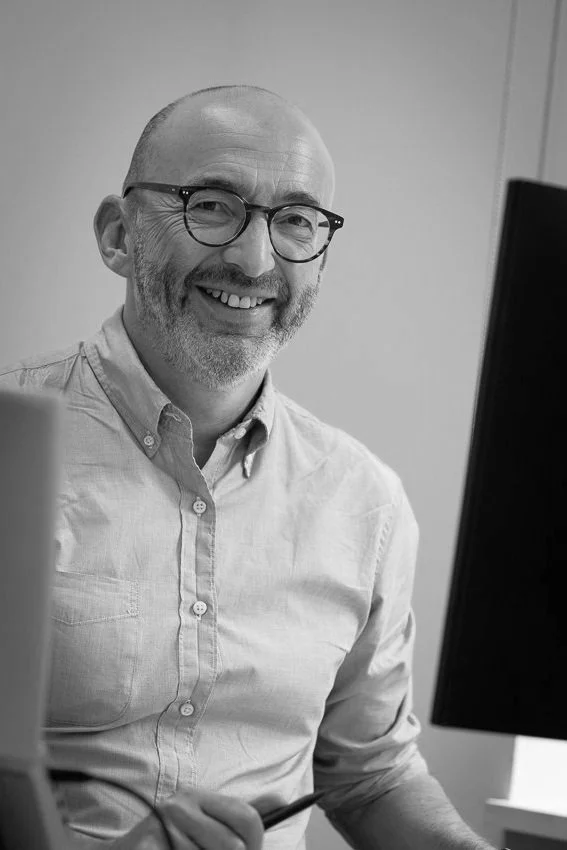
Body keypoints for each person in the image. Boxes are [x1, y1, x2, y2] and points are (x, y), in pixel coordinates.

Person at [0, 85, 501, 850]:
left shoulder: (364, 501)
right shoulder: (10, 447)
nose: (254, 257)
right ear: (116, 235)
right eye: (210, 205)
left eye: (295, 220)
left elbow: (370, 777)